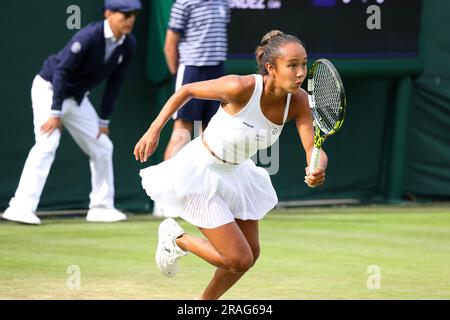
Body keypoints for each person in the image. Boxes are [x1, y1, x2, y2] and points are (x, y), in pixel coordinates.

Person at [134, 30, 328, 299]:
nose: (300, 73)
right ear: (271, 68)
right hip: (201, 170)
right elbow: (187, 90)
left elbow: (313, 148)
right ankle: (177, 239)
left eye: (304, 64)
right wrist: (154, 130)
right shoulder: (240, 87)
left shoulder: (298, 102)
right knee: (239, 259)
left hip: (237, 172)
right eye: (292, 65)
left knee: (251, 254)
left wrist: (315, 166)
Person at [2, 0, 142, 225]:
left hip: (76, 97)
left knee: (103, 145)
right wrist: (55, 112)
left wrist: (103, 120)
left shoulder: (128, 44)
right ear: (108, 14)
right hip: (49, 89)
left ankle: (101, 207)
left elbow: (115, 84)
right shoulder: (88, 37)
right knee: (47, 143)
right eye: (125, 14)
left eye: (134, 14)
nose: (131, 19)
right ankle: (20, 207)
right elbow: (61, 72)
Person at [153, 0, 230, 217]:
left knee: (212, 135)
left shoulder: (223, 2)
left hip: (218, 72)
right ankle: (164, 199)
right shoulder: (184, 3)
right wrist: (178, 76)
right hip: (191, 71)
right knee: (182, 133)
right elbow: (170, 44)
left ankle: (207, 198)